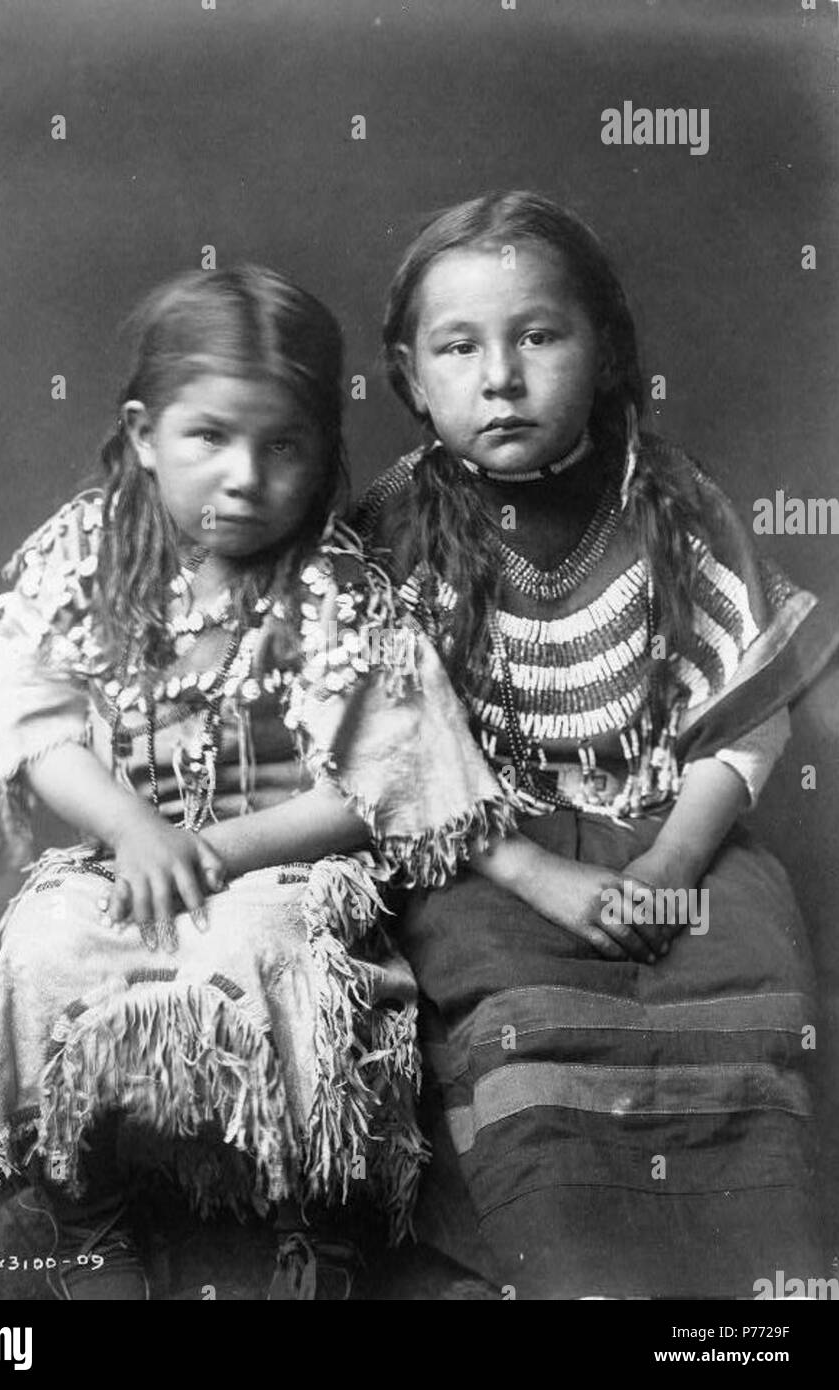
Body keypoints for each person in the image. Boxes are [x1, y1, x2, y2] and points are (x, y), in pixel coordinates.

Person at [0, 265, 520, 1300]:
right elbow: (38, 730)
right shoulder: (86, 559)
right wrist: (133, 828)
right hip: (126, 854)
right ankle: (88, 1208)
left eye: (283, 444)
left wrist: (219, 852)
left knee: (274, 951)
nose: (247, 475)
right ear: (142, 434)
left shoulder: (334, 591)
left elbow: (378, 790)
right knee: (48, 943)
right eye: (210, 436)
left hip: (281, 864)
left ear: (322, 452)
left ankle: (318, 1210)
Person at [354, 191, 834, 1299]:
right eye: (457, 347)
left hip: (672, 826)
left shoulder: (672, 503)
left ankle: (750, 1281)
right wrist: (534, 872)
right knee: (516, 1014)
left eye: (538, 335)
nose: (500, 377)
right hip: (486, 850)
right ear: (410, 375)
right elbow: (392, 758)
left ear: (606, 350)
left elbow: (742, 711)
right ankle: (579, 1265)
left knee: (744, 973)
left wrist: (669, 864)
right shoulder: (392, 535)